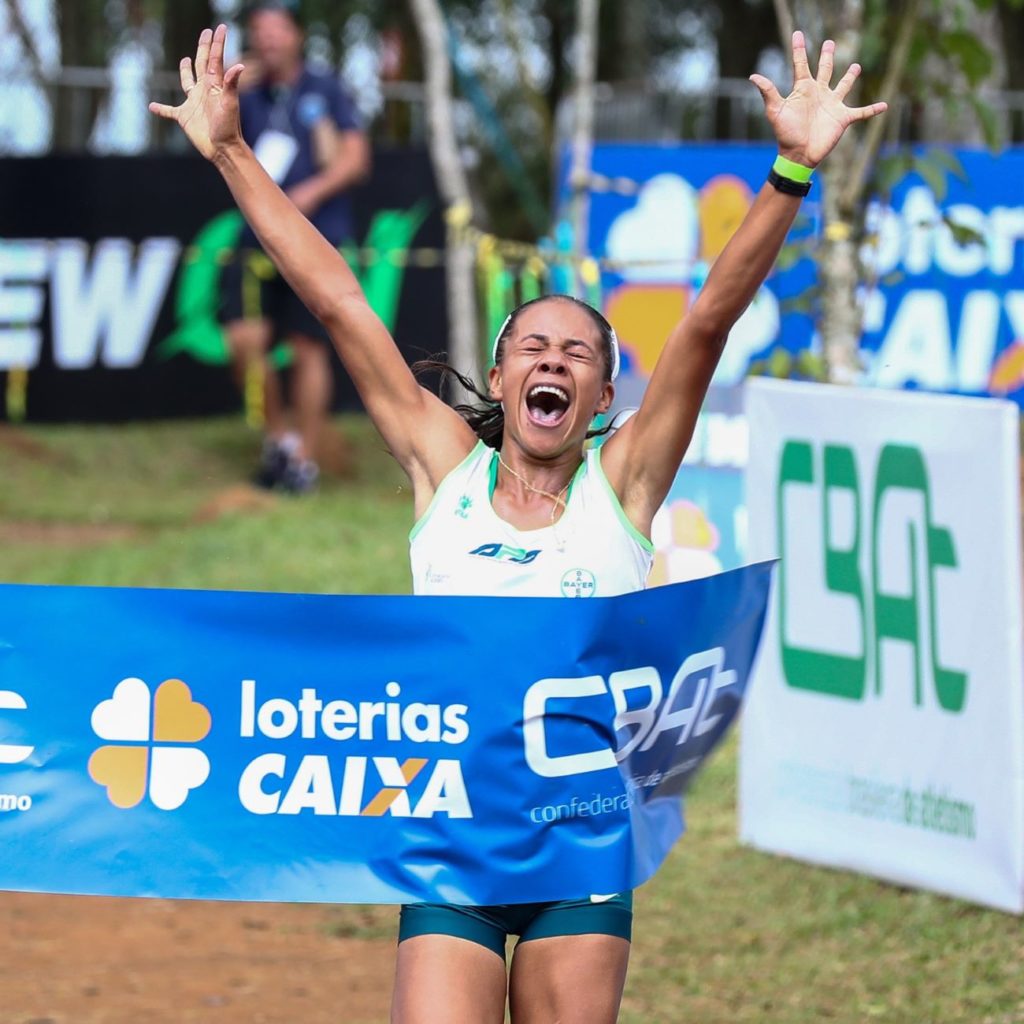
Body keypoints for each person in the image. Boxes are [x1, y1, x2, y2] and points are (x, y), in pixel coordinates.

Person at [151, 24, 885, 1022]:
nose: (552, 361)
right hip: (450, 838)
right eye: (531, 346)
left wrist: (792, 168)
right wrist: (231, 151)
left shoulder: (624, 484)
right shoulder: (442, 465)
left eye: (576, 353)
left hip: (579, 841)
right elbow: (334, 297)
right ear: (498, 377)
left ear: (599, 391)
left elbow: (709, 315)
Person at [222, 0, 370, 492]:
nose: (268, 40)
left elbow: (356, 160)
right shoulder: (245, 90)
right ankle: (279, 439)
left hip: (316, 237)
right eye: (260, 31)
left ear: (298, 35)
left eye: (277, 30)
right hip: (256, 237)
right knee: (244, 341)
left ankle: (304, 459)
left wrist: (311, 192)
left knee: (309, 347)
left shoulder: (326, 89)